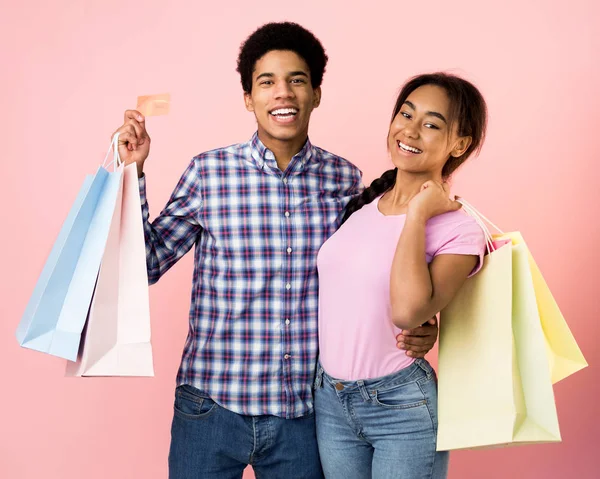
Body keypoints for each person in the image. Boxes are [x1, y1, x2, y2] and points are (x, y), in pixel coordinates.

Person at [112, 22, 439, 478]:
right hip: (210, 406)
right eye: (266, 82)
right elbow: (144, 264)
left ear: (316, 93)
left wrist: (424, 320)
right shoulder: (209, 174)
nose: (282, 93)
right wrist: (133, 175)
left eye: (297, 80)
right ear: (249, 98)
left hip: (303, 416)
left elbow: (369, 274)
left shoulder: (344, 180)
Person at [314, 72, 488, 479]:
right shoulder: (360, 209)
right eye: (405, 114)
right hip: (330, 400)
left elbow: (408, 311)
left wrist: (419, 212)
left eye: (431, 124)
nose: (410, 130)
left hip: (401, 406)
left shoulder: (460, 229)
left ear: (459, 144)